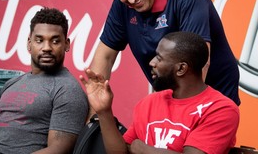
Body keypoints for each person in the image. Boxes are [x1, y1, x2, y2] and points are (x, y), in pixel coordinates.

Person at [90, 0, 240, 106]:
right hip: (168, 94)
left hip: (212, 92)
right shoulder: (123, 5)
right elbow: (105, 56)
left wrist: (175, 113)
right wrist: (94, 116)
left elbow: (198, 62)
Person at [81, 31, 240, 154]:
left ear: (181, 68)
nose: (152, 63)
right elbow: (121, 152)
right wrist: (104, 111)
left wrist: (142, 149)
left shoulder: (221, 109)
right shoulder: (150, 102)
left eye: (159, 58)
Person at [0, 7, 89, 154]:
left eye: (55, 41)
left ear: (66, 44)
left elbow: (59, 150)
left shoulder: (68, 89)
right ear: (29, 43)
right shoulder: (11, 84)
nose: (46, 48)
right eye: (39, 40)